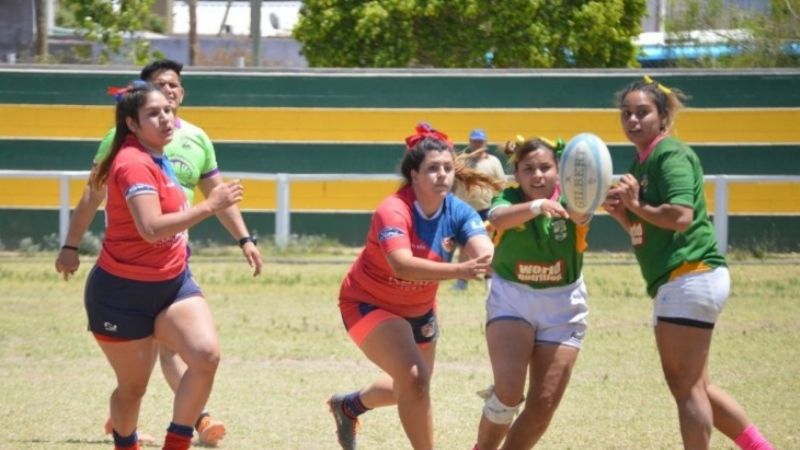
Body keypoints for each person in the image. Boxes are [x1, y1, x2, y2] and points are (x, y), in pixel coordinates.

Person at [54, 59, 261, 446]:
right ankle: (126, 440)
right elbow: (149, 228)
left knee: (204, 355)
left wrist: (245, 238)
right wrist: (70, 245)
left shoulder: (172, 147)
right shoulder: (131, 161)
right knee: (132, 389)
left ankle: (180, 438)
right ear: (132, 124)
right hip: (123, 291)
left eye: (169, 107)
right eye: (154, 112)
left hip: (172, 279)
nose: (167, 116)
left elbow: (200, 200)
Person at [603, 76, 774, 450]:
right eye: (626, 113)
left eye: (643, 112)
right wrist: (623, 215)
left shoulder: (670, 154)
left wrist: (635, 205)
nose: (633, 120)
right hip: (683, 279)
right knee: (698, 385)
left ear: (663, 117)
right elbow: (647, 232)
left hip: (691, 275)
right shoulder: (644, 161)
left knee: (686, 387)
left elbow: (680, 216)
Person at [327, 123, 499, 450]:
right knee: (416, 381)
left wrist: (494, 256)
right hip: (368, 303)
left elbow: (484, 253)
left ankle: (348, 407)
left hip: (420, 310)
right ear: (414, 174)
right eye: (432, 169)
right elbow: (402, 265)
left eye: (448, 168)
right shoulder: (393, 210)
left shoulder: (460, 212)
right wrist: (460, 269)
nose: (442, 175)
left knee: (411, 385)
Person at [472, 136, 591, 450]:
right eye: (529, 169)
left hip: (564, 305)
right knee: (509, 392)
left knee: (543, 404)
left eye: (545, 167)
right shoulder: (508, 199)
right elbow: (496, 218)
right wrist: (538, 206)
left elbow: (581, 214)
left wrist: (584, 199)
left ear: (558, 171)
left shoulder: (572, 199)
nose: (538, 175)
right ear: (518, 175)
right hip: (513, 298)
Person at [452, 128, 506, 291]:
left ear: (485, 143)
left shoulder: (493, 162)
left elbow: (501, 183)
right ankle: (462, 281)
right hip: (466, 210)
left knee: (490, 245)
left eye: (480, 141)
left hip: (486, 208)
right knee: (464, 246)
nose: (477, 144)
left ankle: (489, 279)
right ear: (469, 142)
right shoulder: (462, 161)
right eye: (474, 141)